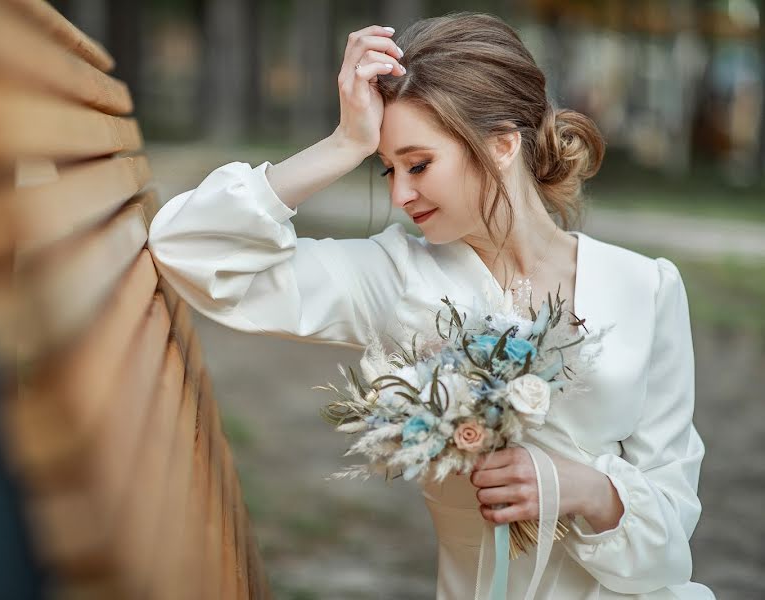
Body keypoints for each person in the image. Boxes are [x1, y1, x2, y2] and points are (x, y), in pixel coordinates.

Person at [148, 11, 714, 600]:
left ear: (501, 144)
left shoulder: (647, 286)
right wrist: (342, 145)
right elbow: (189, 250)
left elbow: (671, 545)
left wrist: (591, 491)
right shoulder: (396, 277)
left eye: (418, 165)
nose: (399, 194)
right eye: (387, 168)